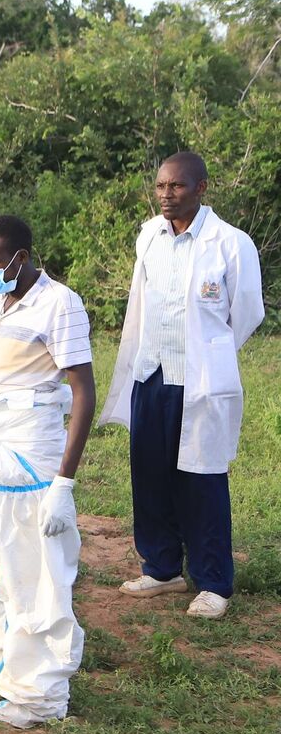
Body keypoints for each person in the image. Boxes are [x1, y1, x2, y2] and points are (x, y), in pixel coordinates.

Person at [0, 215, 95, 729]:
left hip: (31, 455)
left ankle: (38, 696)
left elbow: (82, 392)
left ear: (21, 259)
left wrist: (63, 485)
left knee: (34, 575)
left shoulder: (60, 304)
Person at [98, 151, 263, 620]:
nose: (167, 194)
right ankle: (162, 567)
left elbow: (246, 312)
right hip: (151, 373)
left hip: (199, 381)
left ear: (202, 188)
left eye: (178, 186)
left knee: (202, 480)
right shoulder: (150, 235)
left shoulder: (230, 243)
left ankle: (213, 582)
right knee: (149, 475)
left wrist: (209, 351)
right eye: (161, 186)